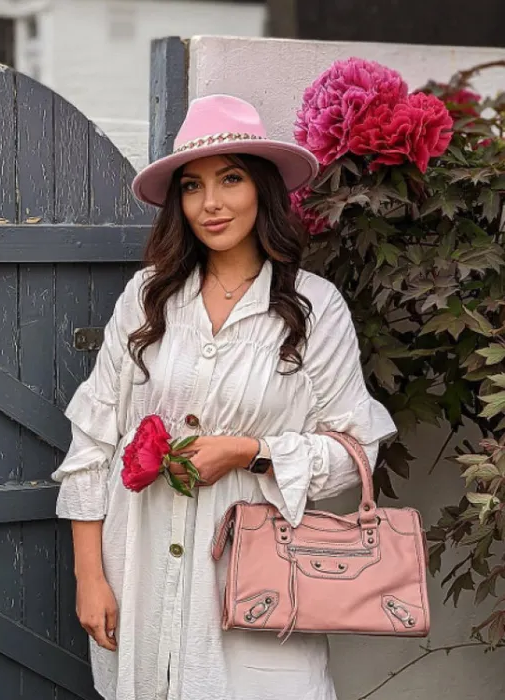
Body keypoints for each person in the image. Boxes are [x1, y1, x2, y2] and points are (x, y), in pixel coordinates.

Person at [51, 94, 397, 700]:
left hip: (258, 580)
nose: (210, 203)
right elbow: (93, 442)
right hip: (139, 573)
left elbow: (355, 453)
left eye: (230, 179)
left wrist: (249, 451)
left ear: (263, 188)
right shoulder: (147, 298)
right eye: (192, 186)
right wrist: (89, 577)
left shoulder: (313, 308)